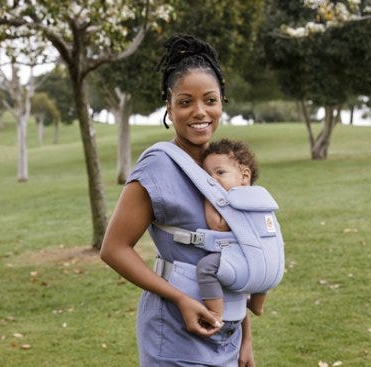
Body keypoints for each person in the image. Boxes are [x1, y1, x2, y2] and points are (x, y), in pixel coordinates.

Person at [100, 34, 256, 366]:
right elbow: (113, 248)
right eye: (185, 102)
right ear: (169, 108)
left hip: (227, 332)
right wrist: (180, 299)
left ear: (222, 102)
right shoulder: (158, 165)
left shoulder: (224, 167)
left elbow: (234, 253)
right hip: (173, 329)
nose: (200, 112)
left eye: (210, 100)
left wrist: (245, 335)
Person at [197, 138, 266, 326]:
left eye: (220, 172)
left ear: (244, 176)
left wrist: (208, 198)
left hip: (243, 254)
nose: (212, 180)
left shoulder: (236, 199)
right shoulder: (260, 195)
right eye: (207, 176)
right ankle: (258, 305)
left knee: (206, 267)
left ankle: (216, 312)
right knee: (264, 276)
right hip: (266, 257)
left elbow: (219, 226)